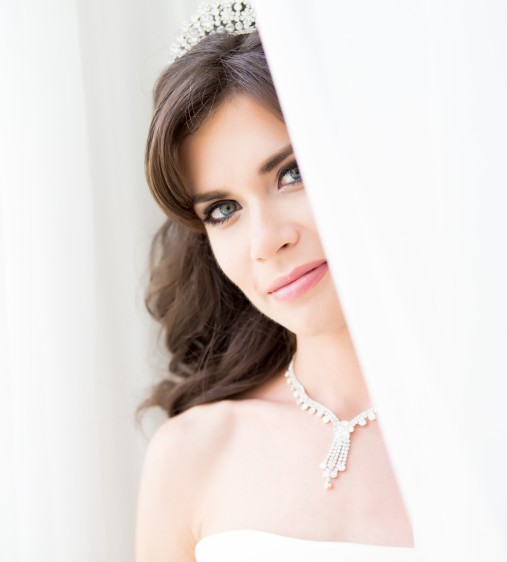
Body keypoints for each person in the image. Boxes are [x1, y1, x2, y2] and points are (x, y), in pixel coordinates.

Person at [134, 3, 416, 560]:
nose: (265, 241)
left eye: (293, 173)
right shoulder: (192, 454)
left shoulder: (505, 422)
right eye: (223, 210)